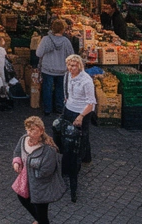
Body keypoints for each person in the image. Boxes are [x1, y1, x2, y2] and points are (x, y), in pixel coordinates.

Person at [12, 115, 66, 224]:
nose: (29, 133)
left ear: (41, 131)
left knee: (41, 212)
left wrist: (29, 168)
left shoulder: (49, 150)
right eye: (28, 129)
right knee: (22, 197)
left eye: (33, 130)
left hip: (41, 187)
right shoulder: (23, 139)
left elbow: (46, 171)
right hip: (25, 181)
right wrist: (16, 162)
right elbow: (17, 152)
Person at [57, 54, 96, 203]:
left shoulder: (86, 81)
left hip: (81, 113)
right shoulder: (67, 76)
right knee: (66, 136)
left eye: (74, 65)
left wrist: (80, 116)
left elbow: (91, 103)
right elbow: (68, 92)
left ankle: (79, 162)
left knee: (81, 137)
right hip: (69, 109)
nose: (71, 68)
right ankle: (70, 161)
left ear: (79, 66)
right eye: (69, 65)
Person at [36, 20, 73, 116]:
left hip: (48, 69)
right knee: (60, 89)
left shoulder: (46, 39)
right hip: (62, 70)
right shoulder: (66, 41)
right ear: (62, 30)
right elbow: (71, 56)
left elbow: (38, 53)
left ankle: (47, 109)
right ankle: (59, 108)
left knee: (47, 88)